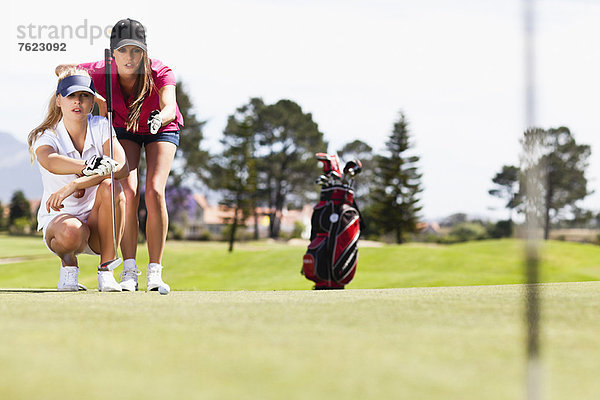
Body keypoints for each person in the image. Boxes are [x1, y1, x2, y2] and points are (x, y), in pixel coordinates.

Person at [56, 18, 183, 292]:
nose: (130, 57)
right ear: (113, 52)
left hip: (160, 127)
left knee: (155, 191)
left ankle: (155, 272)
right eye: (123, 50)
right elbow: (62, 71)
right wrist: (79, 81)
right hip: (124, 128)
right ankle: (128, 270)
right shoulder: (100, 70)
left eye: (136, 50)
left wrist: (159, 118)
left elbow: (170, 107)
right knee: (127, 187)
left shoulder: (160, 71)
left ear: (144, 52)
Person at [28, 68, 129, 292]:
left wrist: (75, 183)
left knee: (112, 185)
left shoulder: (101, 126)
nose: (78, 102)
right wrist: (88, 167)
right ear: (58, 100)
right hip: (62, 226)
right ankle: (69, 266)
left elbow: (122, 167)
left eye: (84, 96)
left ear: (92, 100)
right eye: (71, 96)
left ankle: (107, 270)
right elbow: (50, 160)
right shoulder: (47, 135)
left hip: (98, 226)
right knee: (72, 231)